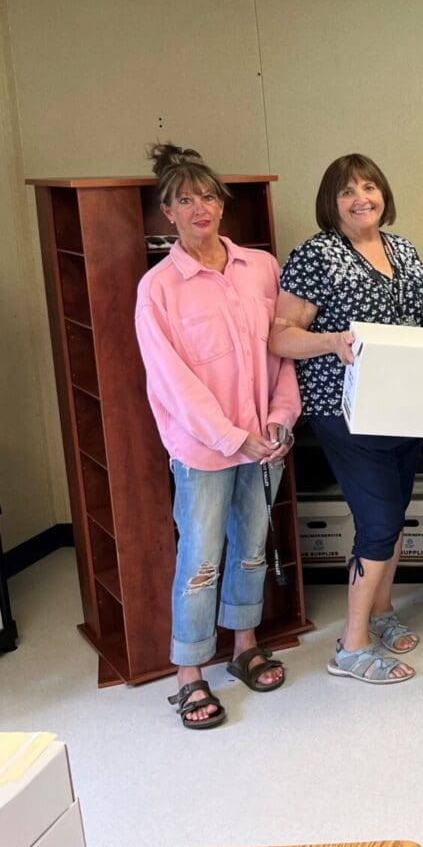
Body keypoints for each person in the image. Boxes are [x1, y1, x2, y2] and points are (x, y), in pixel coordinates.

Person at [134, 143, 299, 729]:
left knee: (253, 546)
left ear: (222, 205)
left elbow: (280, 352)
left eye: (207, 195)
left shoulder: (259, 267)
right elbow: (174, 382)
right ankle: (189, 672)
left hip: (265, 444)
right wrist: (234, 436)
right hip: (204, 449)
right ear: (167, 212)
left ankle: (244, 645)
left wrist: (280, 418)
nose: (199, 207)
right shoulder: (158, 289)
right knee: (201, 558)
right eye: (185, 199)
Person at [269, 154, 423, 685]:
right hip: (345, 411)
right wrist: (331, 342)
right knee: (380, 522)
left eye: (368, 187)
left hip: (403, 406)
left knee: (396, 512)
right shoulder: (317, 255)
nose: (361, 198)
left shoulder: (402, 249)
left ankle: (382, 612)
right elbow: (279, 335)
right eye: (347, 191)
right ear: (331, 202)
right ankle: (351, 645)